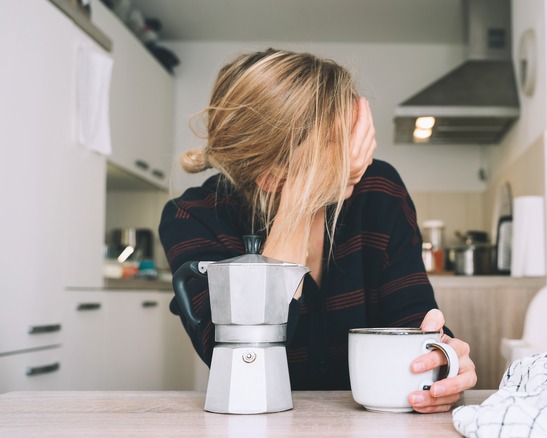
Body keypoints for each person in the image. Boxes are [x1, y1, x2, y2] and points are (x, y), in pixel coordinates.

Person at [158, 48, 477, 413]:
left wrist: (440, 367)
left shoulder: (378, 190)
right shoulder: (191, 217)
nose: (357, 156)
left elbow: (413, 324)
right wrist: (303, 205)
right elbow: (237, 353)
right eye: (334, 141)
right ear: (269, 176)